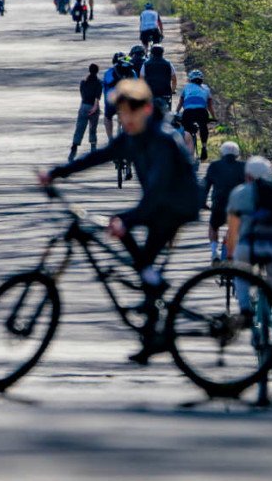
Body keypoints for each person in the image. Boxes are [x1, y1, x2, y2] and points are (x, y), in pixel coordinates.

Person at [40, 79, 199, 364]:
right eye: (121, 115)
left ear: (147, 109)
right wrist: (57, 173)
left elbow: (159, 192)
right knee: (139, 258)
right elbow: (98, 157)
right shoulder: (131, 137)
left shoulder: (163, 139)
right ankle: (152, 314)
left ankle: (153, 296)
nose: (125, 120)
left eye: (130, 114)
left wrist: (128, 219)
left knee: (136, 247)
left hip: (176, 205)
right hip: (157, 204)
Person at [226, 156, 272, 338]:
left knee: (241, 275)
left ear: (247, 175)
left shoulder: (239, 193)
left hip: (247, 247)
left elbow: (232, 231)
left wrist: (230, 255)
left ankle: (245, 310)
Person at [204, 141, 247, 261]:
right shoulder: (243, 166)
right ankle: (230, 246)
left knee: (213, 226)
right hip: (237, 206)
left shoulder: (214, 166)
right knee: (234, 226)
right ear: (237, 153)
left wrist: (202, 202)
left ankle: (214, 252)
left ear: (222, 153)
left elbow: (206, 185)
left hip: (219, 204)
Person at [176, 69, 215, 160]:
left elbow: (180, 102)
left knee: (186, 129)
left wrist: (177, 113)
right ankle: (204, 147)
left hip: (188, 112)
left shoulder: (186, 87)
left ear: (190, 79)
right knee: (203, 126)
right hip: (201, 111)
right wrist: (213, 117)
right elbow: (210, 106)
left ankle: (186, 149)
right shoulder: (206, 88)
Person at [69, 63, 103, 160]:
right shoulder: (99, 83)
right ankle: (93, 149)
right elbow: (97, 99)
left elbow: (83, 95)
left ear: (89, 70)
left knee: (80, 128)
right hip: (93, 108)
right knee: (92, 129)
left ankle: (74, 148)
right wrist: (94, 109)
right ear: (97, 71)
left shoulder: (83, 82)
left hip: (84, 106)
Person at [102, 52, 138, 143]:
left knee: (107, 117)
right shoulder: (132, 72)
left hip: (112, 101)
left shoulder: (109, 72)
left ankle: (110, 139)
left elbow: (106, 86)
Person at [141, 44, 178, 115]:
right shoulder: (168, 64)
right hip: (165, 92)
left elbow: (141, 80)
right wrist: (172, 90)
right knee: (167, 114)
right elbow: (174, 79)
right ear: (162, 53)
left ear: (151, 53)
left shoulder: (145, 64)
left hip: (150, 93)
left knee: (147, 113)